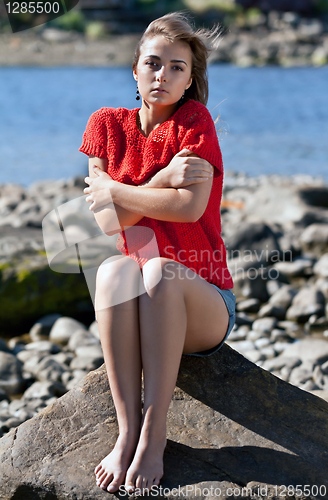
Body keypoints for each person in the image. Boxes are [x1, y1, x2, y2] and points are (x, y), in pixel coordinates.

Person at [79, 12, 235, 494]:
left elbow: (188, 210)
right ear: (135, 69)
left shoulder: (194, 123)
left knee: (163, 273)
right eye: (153, 64)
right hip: (139, 296)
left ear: (190, 80)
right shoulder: (106, 125)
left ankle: (154, 431)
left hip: (203, 301)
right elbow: (107, 223)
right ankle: (126, 431)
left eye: (176, 68)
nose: (162, 75)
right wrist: (157, 182)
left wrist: (120, 191)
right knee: (111, 271)